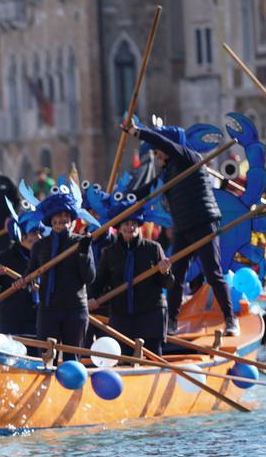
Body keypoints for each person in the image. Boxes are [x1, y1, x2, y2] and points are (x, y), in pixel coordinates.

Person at [121, 117, 237, 336]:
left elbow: (165, 144)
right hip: (183, 226)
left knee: (212, 273)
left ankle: (230, 319)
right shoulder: (168, 172)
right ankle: (172, 322)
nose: (157, 155)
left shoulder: (187, 157)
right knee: (177, 274)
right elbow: (146, 191)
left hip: (203, 221)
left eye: (158, 151)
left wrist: (139, 133)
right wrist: (121, 199)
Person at [89, 201, 174, 355]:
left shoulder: (153, 248)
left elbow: (167, 283)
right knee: (123, 359)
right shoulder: (109, 252)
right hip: (122, 318)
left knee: (152, 358)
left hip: (150, 315)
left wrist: (165, 272)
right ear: (119, 228)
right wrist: (92, 298)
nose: (130, 227)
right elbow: (100, 280)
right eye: (126, 224)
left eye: (134, 223)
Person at [16, 188, 96, 349]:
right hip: (48, 309)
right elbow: (31, 274)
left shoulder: (81, 243)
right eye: (57, 216)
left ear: (71, 220)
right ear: (51, 220)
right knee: (46, 355)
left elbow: (89, 277)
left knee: (72, 357)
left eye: (65, 216)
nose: (61, 219)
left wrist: (84, 253)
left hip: (75, 309)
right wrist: (24, 282)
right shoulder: (40, 245)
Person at [0, 211, 44, 337]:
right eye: (34, 233)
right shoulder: (5, 257)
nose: (39, 237)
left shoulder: (45, 257)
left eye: (39, 233)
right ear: (21, 235)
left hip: (37, 321)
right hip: (11, 322)